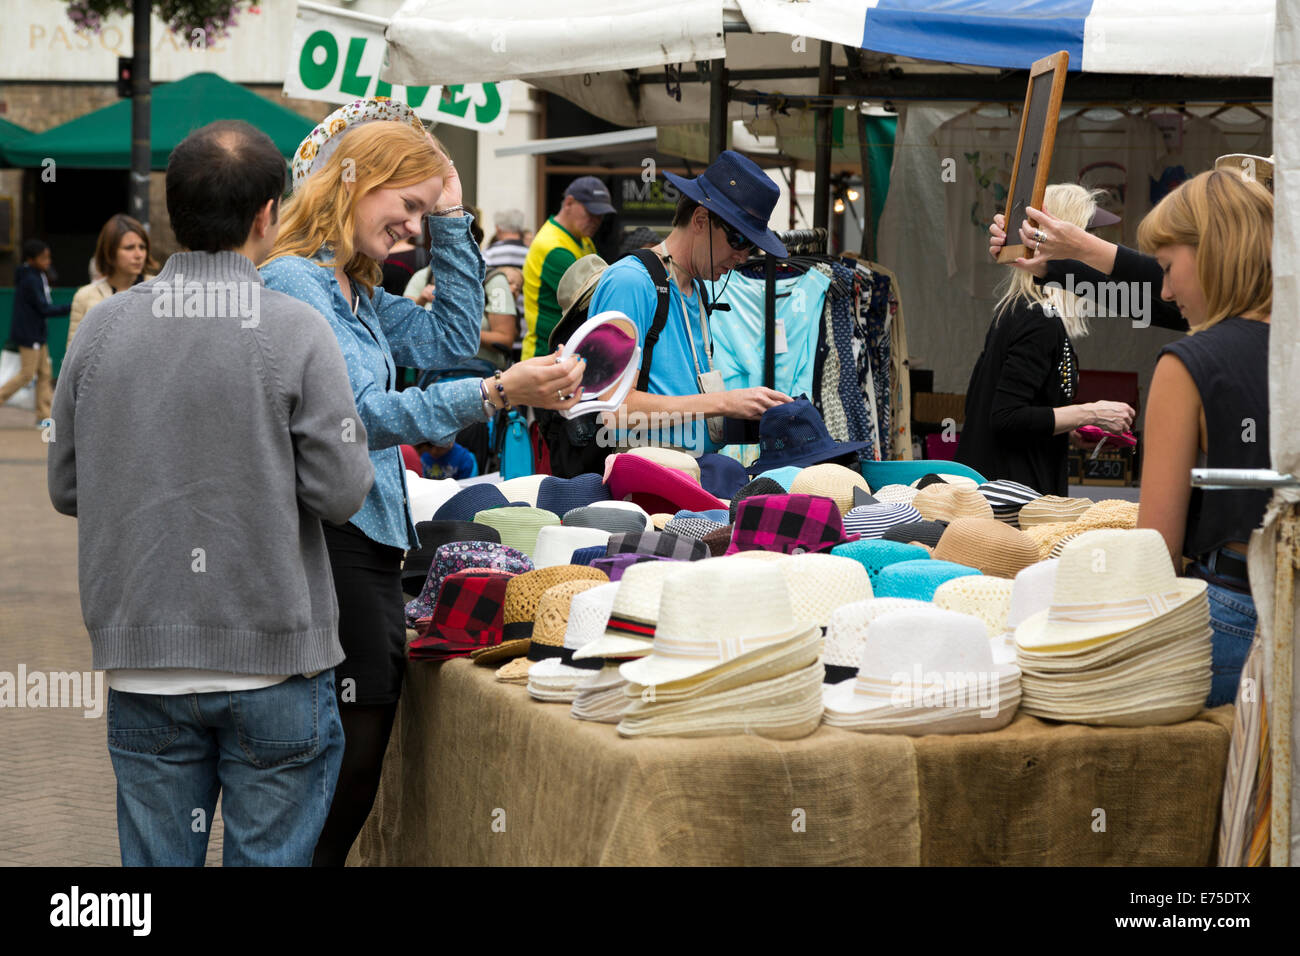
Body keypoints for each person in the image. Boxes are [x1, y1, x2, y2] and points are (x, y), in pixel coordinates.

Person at [259, 102, 584, 866]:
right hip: (330, 540)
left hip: (365, 538)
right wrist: (499, 394)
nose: (411, 228)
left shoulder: (354, 291)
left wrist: (452, 213)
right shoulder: (295, 283)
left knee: (356, 745)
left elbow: (449, 338)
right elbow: (358, 416)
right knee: (347, 749)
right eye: (405, 207)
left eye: (418, 213)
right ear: (355, 181)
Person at [47, 120, 375, 866]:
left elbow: (68, 486)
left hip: (143, 659)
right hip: (276, 660)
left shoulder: (100, 332)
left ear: (171, 213)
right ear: (268, 214)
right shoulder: (299, 331)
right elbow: (343, 491)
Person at [1133, 169, 1272, 707]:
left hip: (1235, 615)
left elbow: (1156, 548)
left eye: (1168, 269)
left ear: (1213, 252)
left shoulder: (1189, 364)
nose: (1166, 292)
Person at [585, 150, 793, 454]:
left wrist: (751, 412)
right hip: (645, 486)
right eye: (740, 240)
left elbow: (684, 406)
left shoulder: (697, 288)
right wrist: (724, 402)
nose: (743, 257)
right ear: (699, 219)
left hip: (692, 477)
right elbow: (611, 410)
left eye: (752, 247)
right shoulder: (630, 282)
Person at [956, 184, 1136, 495]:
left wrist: (1069, 426)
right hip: (1011, 510)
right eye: (1089, 236)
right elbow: (1005, 417)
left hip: (1013, 500)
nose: (1098, 248)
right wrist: (1091, 412)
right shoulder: (1038, 318)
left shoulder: (1027, 311)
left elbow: (1018, 409)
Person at [521, 176, 614, 360]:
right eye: (591, 212)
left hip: (565, 350)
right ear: (569, 202)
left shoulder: (583, 240)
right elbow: (597, 297)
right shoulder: (553, 247)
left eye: (601, 214)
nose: (597, 220)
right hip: (545, 353)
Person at [0, 239, 69, 425]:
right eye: (43, 258)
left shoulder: (39, 275)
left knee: (45, 373)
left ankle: (43, 416)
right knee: (27, 374)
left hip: (38, 333)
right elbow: (43, 308)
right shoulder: (30, 280)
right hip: (29, 334)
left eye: (48, 257)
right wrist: (71, 307)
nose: (47, 261)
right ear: (31, 260)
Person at [68, 214, 158, 347]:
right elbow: (74, 356)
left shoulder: (161, 290)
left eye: (142, 247)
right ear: (109, 252)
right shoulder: (85, 296)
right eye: (129, 248)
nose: (138, 255)